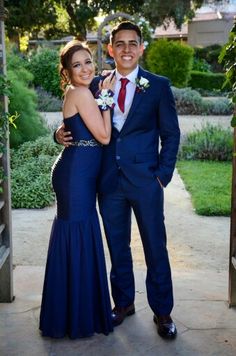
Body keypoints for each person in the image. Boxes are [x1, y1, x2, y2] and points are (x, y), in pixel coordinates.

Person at [55, 21, 180, 340]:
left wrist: (162, 176)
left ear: (141, 48)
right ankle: (123, 303)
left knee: (155, 246)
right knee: (117, 246)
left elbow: (171, 134)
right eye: (119, 43)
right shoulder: (93, 84)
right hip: (108, 181)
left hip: (146, 181)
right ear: (110, 49)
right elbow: (73, 116)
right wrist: (57, 134)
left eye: (132, 43)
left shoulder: (159, 86)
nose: (126, 48)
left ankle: (162, 311)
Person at [39, 40, 116, 339]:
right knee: (77, 235)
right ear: (67, 72)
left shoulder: (79, 90)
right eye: (77, 65)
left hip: (76, 172)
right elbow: (104, 136)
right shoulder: (83, 93)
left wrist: (57, 133)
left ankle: (72, 312)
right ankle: (75, 317)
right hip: (74, 176)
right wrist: (106, 98)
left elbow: (74, 128)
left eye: (88, 62)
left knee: (77, 235)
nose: (85, 69)